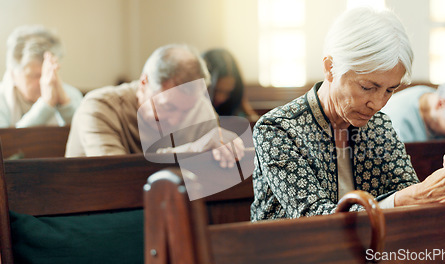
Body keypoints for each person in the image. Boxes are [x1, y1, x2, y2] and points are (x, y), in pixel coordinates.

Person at [251, 7, 445, 221]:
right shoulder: (277, 129)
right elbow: (315, 220)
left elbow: (408, 193)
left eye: (389, 90)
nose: (377, 104)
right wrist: (418, 195)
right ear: (330, 68)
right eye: (367, 87)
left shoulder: (378, 125)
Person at [65, 44, 243, 168]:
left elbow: (209, 169)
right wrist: (194, 149)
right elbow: (116, 176)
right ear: (144, 82)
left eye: (186, 111)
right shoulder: (99, 107)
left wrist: (227, 150)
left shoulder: (199, 106)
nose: (176, 120)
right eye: (168, 107)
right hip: (90, 212)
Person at [0, 25, 82, 128]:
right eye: (34, 76)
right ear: (13, 74)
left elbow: (85, 136)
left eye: (48, 72)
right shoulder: (2, 98)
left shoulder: (71, 96)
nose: (45, 81)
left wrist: (65, 104)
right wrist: (46, 104)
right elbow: (8, 142)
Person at [202, 48, 259, 122]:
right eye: (216, 90)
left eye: (228, 92)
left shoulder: (236, 100)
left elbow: (252, 118)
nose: (221, 98)